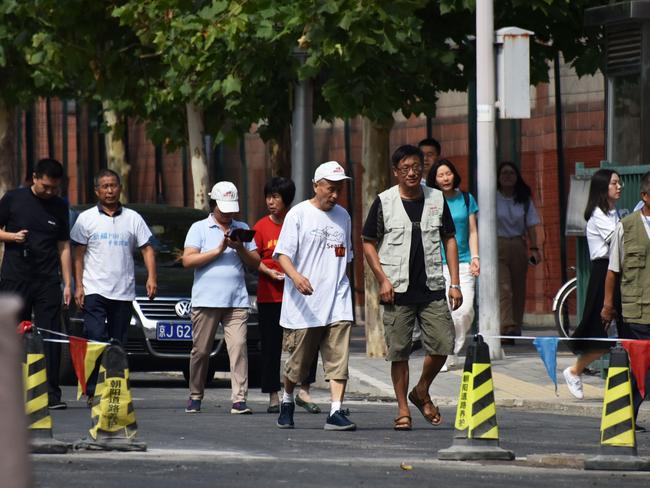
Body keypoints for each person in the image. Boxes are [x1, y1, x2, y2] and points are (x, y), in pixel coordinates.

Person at [363, 145, 461, 431]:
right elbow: (368, 241)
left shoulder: (437, 199)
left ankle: (421, 390)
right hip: (397, 288)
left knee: (444, 344)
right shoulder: (384, 201)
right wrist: (382, 279)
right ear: (396, 172)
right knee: (400, 352)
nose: (411, 172)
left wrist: (454, 283)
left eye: (416, 167)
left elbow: (449, 239)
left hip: (431, 286)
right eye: (405, 168)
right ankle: (403, 409)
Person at [274, 161, 356, 431]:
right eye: (331, 189)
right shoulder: (298, 214)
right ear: (316, 186)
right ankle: (287, 400)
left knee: (338, 361)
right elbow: (283, 255)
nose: (335, 194)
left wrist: (342, 282)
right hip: (304, 305)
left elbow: (346, 255)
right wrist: (296, 278)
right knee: (297, 365)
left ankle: (335, 411)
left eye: (339, 189)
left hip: (338, 300)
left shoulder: (343, 215)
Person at [70, 169, 158, 404]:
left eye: (113, 186)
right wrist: (78, 285)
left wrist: (152, 277)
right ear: (97, 191)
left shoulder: (133, 218)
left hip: (123, 291)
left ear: (120, 188)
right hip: (94, 290)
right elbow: (78, 253)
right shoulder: (86, 218)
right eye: (105, 186)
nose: (110, 190)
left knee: (118, 343)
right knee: (97, 339)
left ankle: (114, 389)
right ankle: (92, 391)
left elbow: (147, 248)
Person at [182, 181, 260, 414]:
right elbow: (188, 260)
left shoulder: (242, 228)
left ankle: (239, 399)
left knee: (238, 348)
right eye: (223, 208)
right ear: (213, 204)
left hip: (235, 301)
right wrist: (217, 250)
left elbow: (256, 262)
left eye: (231, 209)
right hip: (206, 301)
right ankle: (195, 394)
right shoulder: (199, 228)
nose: (228, 214)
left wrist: (239, 248)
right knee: (201, 351)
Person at [0, 158, 71, 409]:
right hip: (15, 276)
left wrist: (68, 283)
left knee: (50, 334)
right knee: (10, 332)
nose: (49, 192)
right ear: (34, 177)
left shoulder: (60, 206)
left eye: (54, 188)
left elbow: (63, 245)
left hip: (47, 279)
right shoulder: (13, 199)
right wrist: (12, 236)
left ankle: (50, 393)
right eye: (45, 187)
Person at [253, 177, 321, 414]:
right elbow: (254, 258)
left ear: (287, 199)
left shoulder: (299, 221)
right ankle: (273, 395)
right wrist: (267, 271)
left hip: (299, 294)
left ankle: (304, 390)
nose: (271, 202)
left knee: (308, 342)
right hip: (270, 296)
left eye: (276, 197)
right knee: (270, 346)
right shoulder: (260, 227)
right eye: (268, 197)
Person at [562, 170, 622, 399]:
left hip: (616, 271)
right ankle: (574, 370)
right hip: (604, 272)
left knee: (622, 331)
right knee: (600, 331)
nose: (620, 187)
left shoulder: (614, 213)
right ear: (602, 187)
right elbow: (617, 241)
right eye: (614, 183)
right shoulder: (598, 215)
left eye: (619, 182)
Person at [601, 171, 650, 432]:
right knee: (640, 368)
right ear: (645, 196)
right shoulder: (627, 226)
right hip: (636, 311)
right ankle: (624, 413)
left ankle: (625, 412)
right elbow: (613, 270)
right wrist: (608, 305)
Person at [427, 159, 479, 370]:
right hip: (437, 263)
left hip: (464, 262)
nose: (445, 178)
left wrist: (476, 257)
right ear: (435, 179)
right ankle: (447, 353)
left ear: (454, 175)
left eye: (448, 173)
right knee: (444, 311)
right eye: (440, 175)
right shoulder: (430, 200)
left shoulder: (466, 198)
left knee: (464, 310)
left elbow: (473, 231)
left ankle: (453, 348)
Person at [496, 161, 542, 343]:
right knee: (504, 288)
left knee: (518, 289)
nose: (507, 176)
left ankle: (515, 328)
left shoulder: (523, 199)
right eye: (504, 173)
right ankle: (505, 327)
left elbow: (531, 225)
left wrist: (534, 248)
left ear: (517, 177)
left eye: (511, 173)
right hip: (497, 244)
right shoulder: (492, 197)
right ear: (498, 178)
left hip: (517, 244)